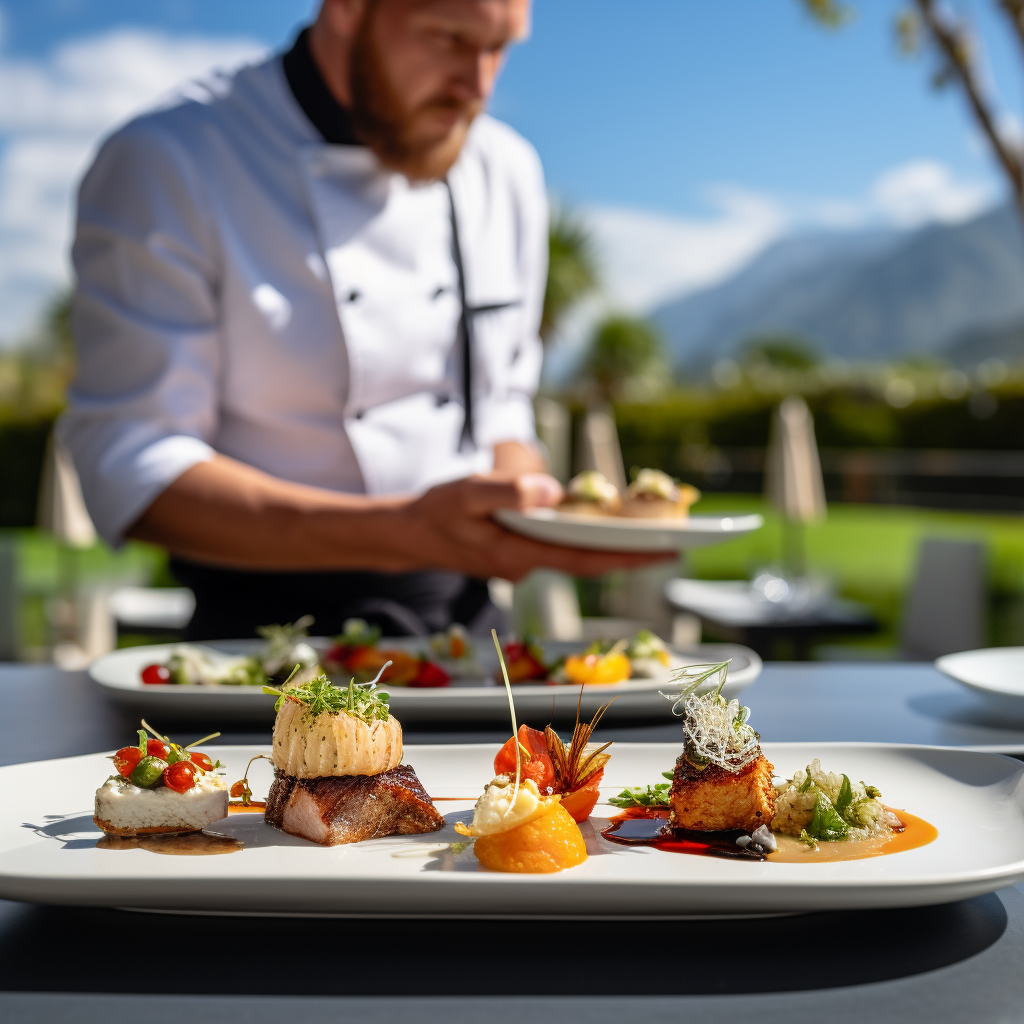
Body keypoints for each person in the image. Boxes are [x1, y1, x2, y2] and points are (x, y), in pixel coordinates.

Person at [60, 0, 665, 640]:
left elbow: (502, 415)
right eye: (449, 37)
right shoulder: (170, 159)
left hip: (468, 637)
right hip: (258, 645)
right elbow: (134, 464)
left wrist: (540, 511)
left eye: (501, 46)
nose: (479, 86)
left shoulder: (507, 171)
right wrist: (404, 532)